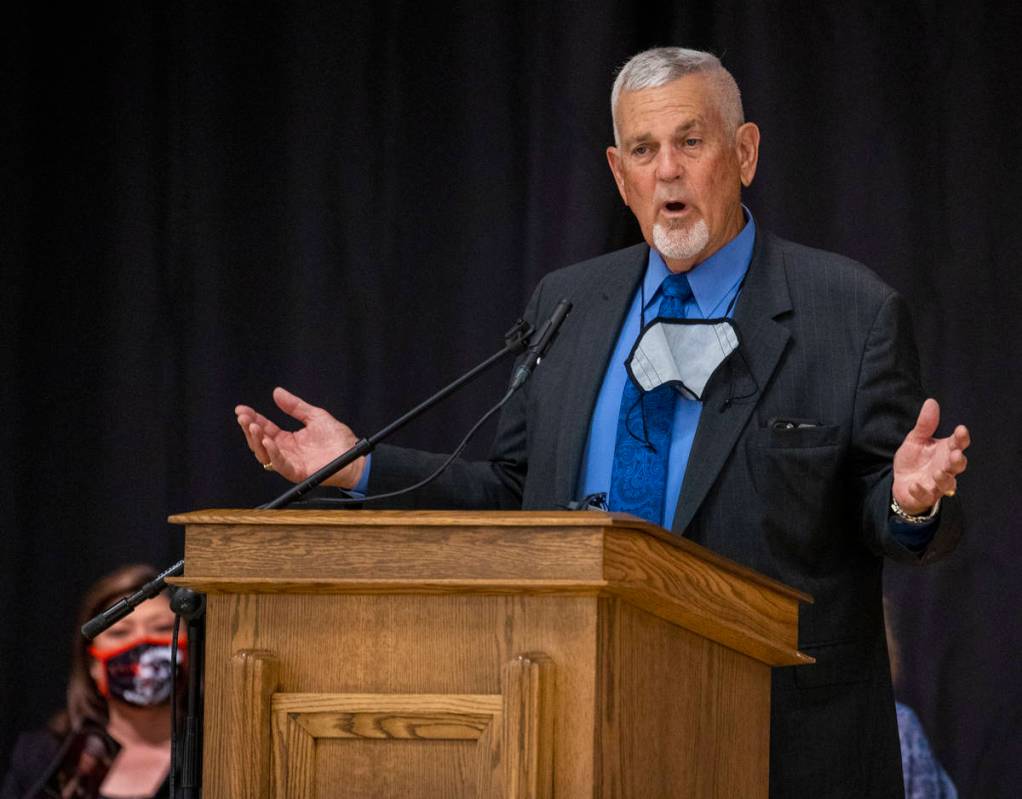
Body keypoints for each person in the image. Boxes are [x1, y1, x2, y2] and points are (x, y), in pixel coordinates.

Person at [235, 48, 971, 796]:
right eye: (645, 151)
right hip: (571, 728)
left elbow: (891, 510)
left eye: (691, 141)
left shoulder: (848, 309)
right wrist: (360, 467)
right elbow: (513, 496)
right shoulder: (570, 303)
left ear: (744, 152)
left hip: (778, 746)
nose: (668, 172)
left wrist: (910, 500)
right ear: (620, 176)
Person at [1, 565, 183, 799]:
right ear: (92, 664)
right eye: (120, 633)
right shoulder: (43, 758)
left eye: (162, 628)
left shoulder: (216, 754)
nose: (141, 641)